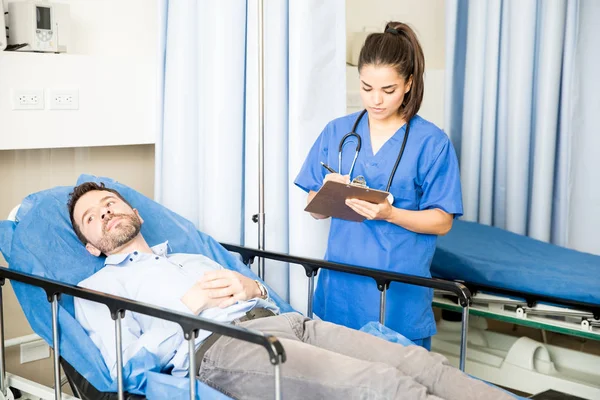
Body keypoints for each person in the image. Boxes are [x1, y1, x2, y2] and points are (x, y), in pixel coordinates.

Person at [67, 182, 508, 400]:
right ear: (90, 244)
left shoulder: (190, 259)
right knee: (380, 384)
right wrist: (190, 306)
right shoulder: (100, 287)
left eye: (110, 203)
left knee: (417, 362)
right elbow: (122, 365)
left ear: (134, 211)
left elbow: (260, 295)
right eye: (91, 217)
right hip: (221, 347)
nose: (104, 212)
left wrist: (251, 284)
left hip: (286, 324)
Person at [295, 22, 463, 349]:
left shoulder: (431, 142)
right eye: (366, 87)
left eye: (388, 90)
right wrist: (327, 195)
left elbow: (442, 221)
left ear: (409, 84)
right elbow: (315, 210)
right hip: (340, 292)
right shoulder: (338, 132)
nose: (376, 100)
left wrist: (390, 214)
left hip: (400, 295)